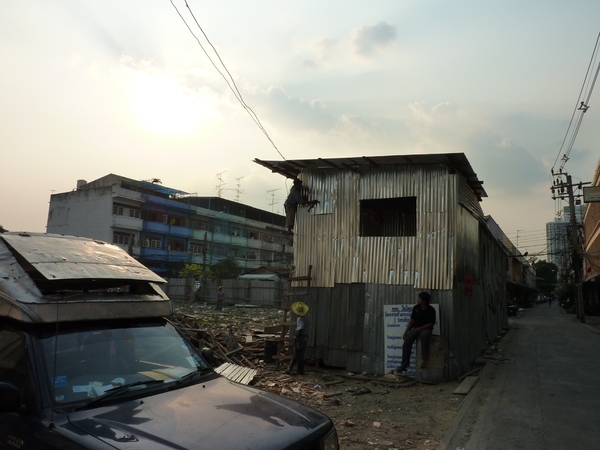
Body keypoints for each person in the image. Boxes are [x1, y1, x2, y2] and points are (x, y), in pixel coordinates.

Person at [397, 291, 436, 373]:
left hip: (426, 329)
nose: (418, 300)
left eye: (420, 298)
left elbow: (431, 323)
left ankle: (424, 360)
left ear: (424, 301)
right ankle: (404, 365)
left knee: (425, 336)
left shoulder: (431, 310)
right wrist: (406, 331)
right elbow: (412, 320)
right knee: (407, 342)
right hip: (416, 328)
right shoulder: (416, 308)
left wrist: (421, 328)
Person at [286, 301, 310, 376]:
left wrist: (296, 335)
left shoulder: (300, 319)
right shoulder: (306, 318)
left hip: (300, 338)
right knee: (298, 354)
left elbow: (300, 328)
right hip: (305, 337)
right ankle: (289, 369)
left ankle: (300, 371)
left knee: (298, 354)